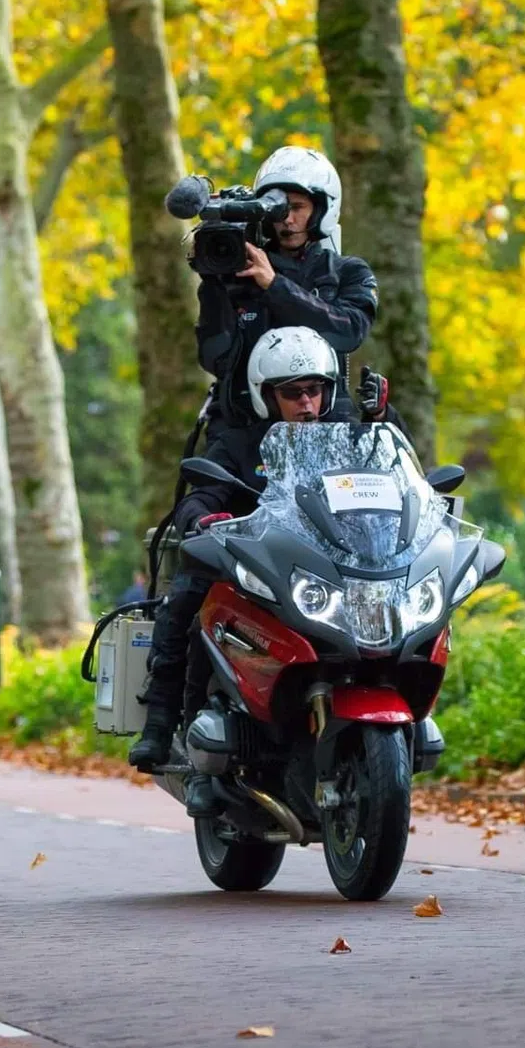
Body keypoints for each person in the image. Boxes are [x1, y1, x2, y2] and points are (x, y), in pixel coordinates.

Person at [132, 144, 381, 781]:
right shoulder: (230, 267)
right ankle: (164, 719)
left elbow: (346, 331)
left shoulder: (348, 272)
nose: (287, 217)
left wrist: (277, 285)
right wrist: (225, 283)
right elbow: (215, 357)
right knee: (198, 557)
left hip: (330, 442)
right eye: (278, 206)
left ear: (322, 210)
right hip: (240, 441)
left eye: (298, 206)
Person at [150, 326, 403, 817]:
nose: (306, 403)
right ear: (266, 396)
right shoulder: (238, 445)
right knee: (193, 601)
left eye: (315, 390)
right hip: (258, 571)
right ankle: (170, 731)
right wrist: (203, 518)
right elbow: (199, 494)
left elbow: (394, 473)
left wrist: (383, 417)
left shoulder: (351, 439)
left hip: (334, 572)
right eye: (292, 393)